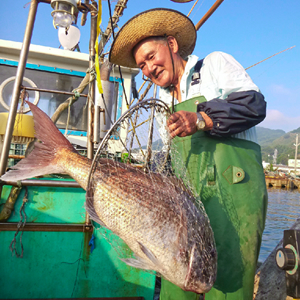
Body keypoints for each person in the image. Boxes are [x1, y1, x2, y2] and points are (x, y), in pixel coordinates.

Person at [109, 8, 268, 300]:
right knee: (176, 285)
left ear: (171, 45)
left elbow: (254, 104)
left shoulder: (213, 65)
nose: (148, 69)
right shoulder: (163, 101)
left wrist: (201, 119)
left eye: (151, 57)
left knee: (230, 287)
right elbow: (171, 162)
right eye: (141, 65)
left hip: (236, 200)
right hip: (188, 205)